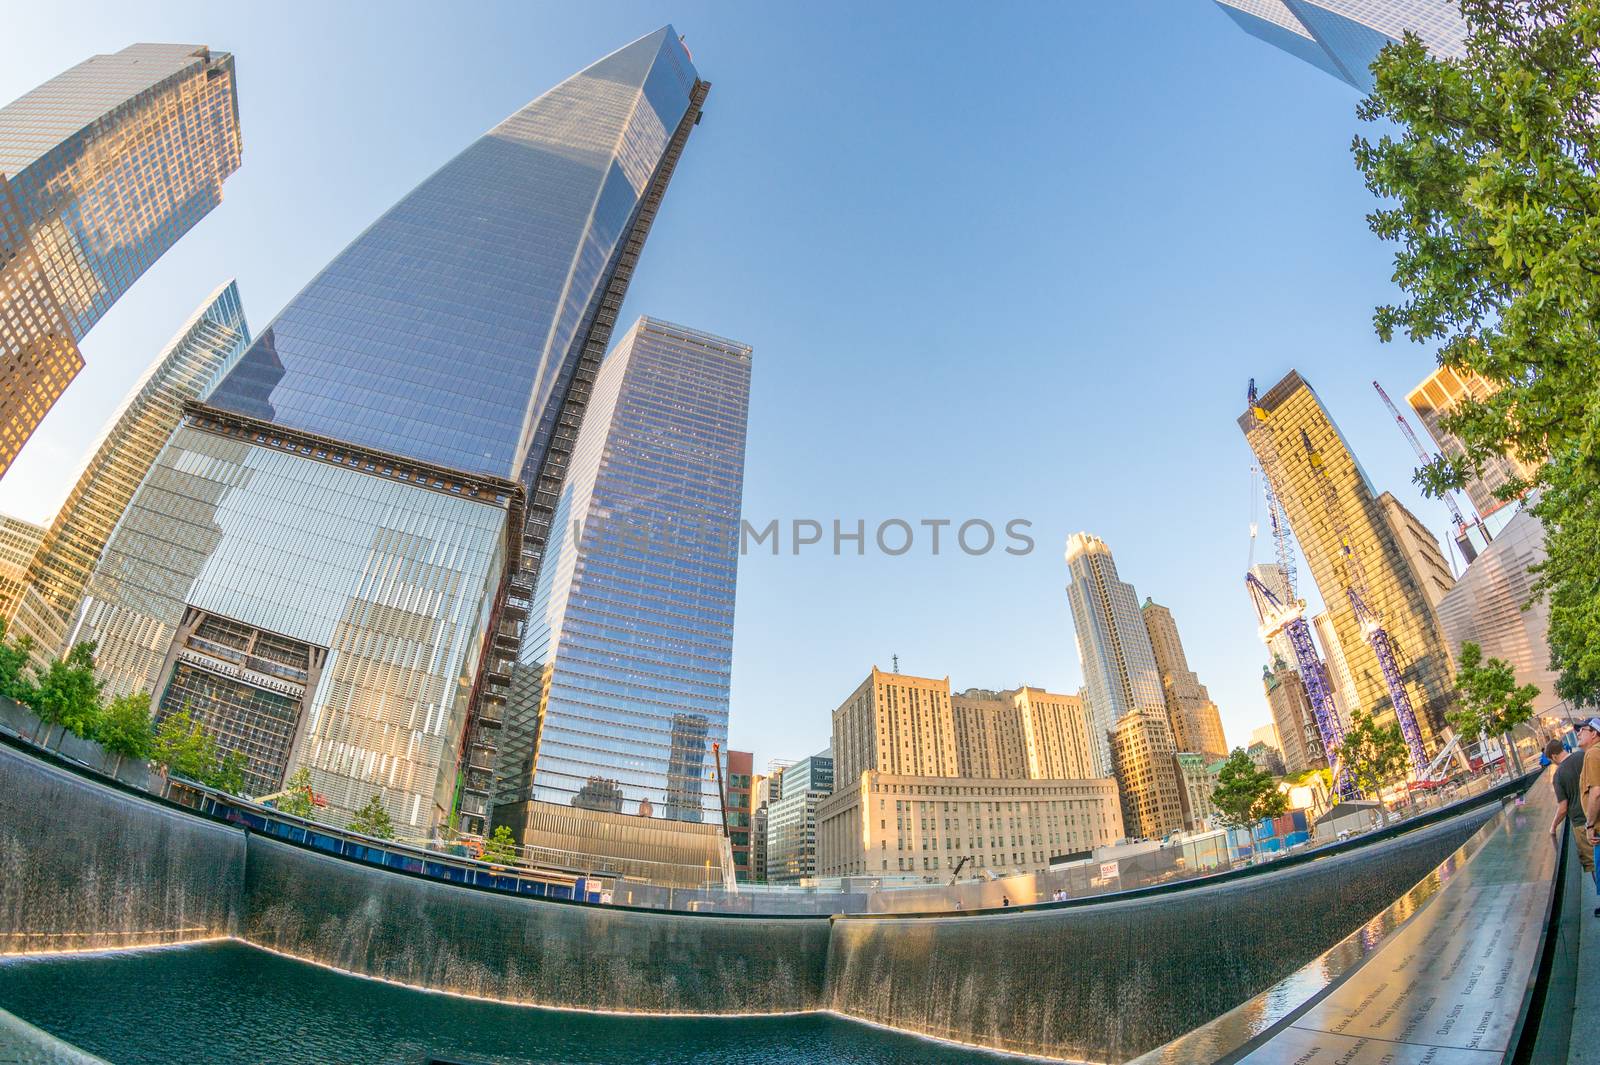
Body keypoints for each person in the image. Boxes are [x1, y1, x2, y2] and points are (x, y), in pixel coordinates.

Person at [1552, 727, 1598, 910]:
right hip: (1592, 818)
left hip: (1584, 822)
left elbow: (1563, 807)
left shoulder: (1590, 755)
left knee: (1595, 864)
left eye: (1583, 731)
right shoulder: (1583, 755)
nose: (1578, 734)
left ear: (1553, 757)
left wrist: (1552, 827)